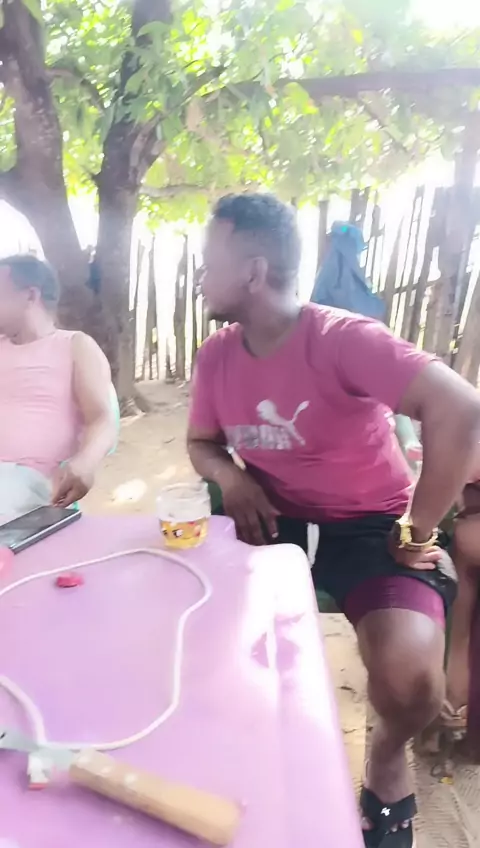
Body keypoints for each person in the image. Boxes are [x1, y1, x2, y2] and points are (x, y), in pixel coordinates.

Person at [187, 194, 480, 847]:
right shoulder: (216, 358)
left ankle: (386, 756)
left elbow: (461, 409)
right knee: (194, 642)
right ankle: (245, 767)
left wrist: (419, 528)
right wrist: (232, 478)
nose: (201, 276)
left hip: (370, 529)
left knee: (410, 681)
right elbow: (202, 444)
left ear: (254, 271)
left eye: (210, 262)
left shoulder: (343, 339)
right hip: (271, 522)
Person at [0, 254, 117, 520]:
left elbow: (102, 418)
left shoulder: (75, 345)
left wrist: (86, 462)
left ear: (30, 296)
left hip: (27, 481)